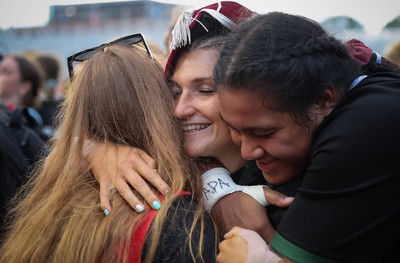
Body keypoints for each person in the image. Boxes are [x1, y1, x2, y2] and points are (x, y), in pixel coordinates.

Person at [88, 1, 295, 243]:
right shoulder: (161, 167)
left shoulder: (293, 185)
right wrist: (98, 149)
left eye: (205, 90)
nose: (178, 110)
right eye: (175, 92)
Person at [0, 34, 217, 262]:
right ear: (156, 106)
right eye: (173, 92)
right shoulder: (179, 223)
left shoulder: (46, 204)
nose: (181, 108)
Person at [213, 12, 400, 262]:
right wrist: (216, 185)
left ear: (324, 100)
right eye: (235, 129)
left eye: (264, 133)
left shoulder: (370, 123)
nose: (247, 151)